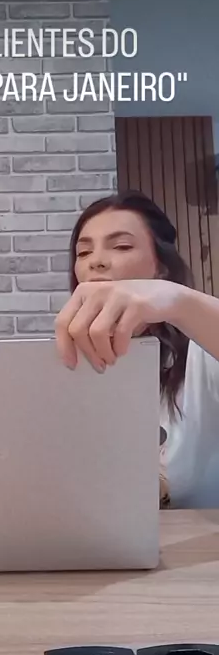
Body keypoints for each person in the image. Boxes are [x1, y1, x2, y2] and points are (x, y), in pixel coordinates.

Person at [55, 190, 219, 508]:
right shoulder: (66, 362)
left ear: (161, 269)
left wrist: (178, 301)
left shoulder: (201, 356)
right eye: (84, 252)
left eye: (121, 246)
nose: (96, 261)